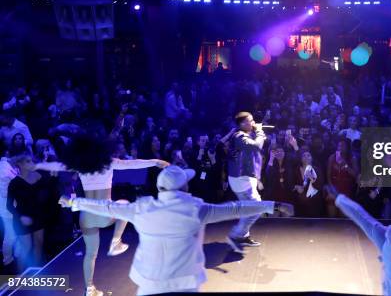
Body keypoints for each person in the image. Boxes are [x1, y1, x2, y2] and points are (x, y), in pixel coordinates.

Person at [58, 165, 294, 295]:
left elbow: (106, 206)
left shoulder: (143, 208)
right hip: (185, 284)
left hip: (150, 285)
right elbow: (236, 208)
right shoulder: (196, 209)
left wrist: (74, 202)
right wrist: (273, 205)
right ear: (185, 185)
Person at [41, 134, 169, 296]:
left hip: (86, 217)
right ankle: (116, 242)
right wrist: (156, 162)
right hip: (103, 214)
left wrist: (41, 165)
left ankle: (89, 289)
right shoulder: (109, 163)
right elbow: (133, 164)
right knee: (125, 204)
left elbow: (58, 167)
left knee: (90, 254)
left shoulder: (81, 166)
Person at [6, 155, 57, 271]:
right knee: (26, 249)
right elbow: (9, 205)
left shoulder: (38, 176)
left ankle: (35, 271)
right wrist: (20, 217)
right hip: (22, 219)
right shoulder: (14, 183)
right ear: (20, 164)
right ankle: (20, 277)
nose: (31, 163)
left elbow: (49, 191)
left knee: (39, 245)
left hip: (38, 216)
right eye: (28, 161)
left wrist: (54, 178)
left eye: (32, 161)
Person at [226, 112, 267, 252]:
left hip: (242, 177)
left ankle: (243, 235)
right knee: (257, 208)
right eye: (250, 121)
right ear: (242, 124)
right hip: (241, 178)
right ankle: (236, 234)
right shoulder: (239, 137)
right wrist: (260, 132)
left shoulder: (242, 135)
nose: (253, 122)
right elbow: (256, 147)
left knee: (247, 209)